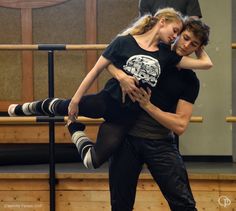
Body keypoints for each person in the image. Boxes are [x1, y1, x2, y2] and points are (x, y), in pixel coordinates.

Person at [8, 9, 212, 170]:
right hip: (108, 99)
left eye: (183, 37)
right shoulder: (125, 42)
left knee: (92, 161)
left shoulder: (168, 55)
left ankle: (73, 129)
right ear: (162, 22)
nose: (177, 39)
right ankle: (25, 107)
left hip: (126, 118)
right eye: (176, 33)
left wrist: (199, 45)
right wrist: (79, 98)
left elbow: (207, 64)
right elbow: (100, 65)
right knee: (62, 106)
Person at [108, 18, 210, 211]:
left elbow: (180, 126)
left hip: (160, 142)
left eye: (194, 44)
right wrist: (120, 76)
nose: (186, 45)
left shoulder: (190, 81)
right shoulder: (152, 53)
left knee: (185, 205)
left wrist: (148, 106)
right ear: (177, 34)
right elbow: (108, 58)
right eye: (185, 38)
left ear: (198, 48)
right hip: (126, 139)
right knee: (120, 205)